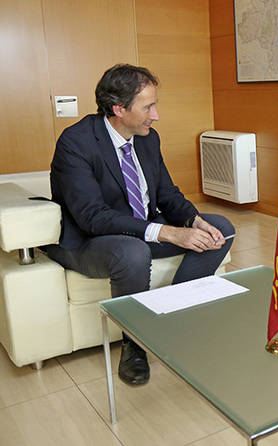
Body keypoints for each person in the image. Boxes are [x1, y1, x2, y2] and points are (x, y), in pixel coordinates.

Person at [46, 64, 235, 386]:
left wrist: (194, 220)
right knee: (131, 251)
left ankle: (174, 317)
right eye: (148, 107)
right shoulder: (76, 142)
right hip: (94, 240)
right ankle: (134, 343)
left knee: (220, 226)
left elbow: (166, 194)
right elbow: (92, 216)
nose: (156, 115)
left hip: (139, 229)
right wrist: (167, 231)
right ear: (119, 109)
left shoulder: (147, 139)